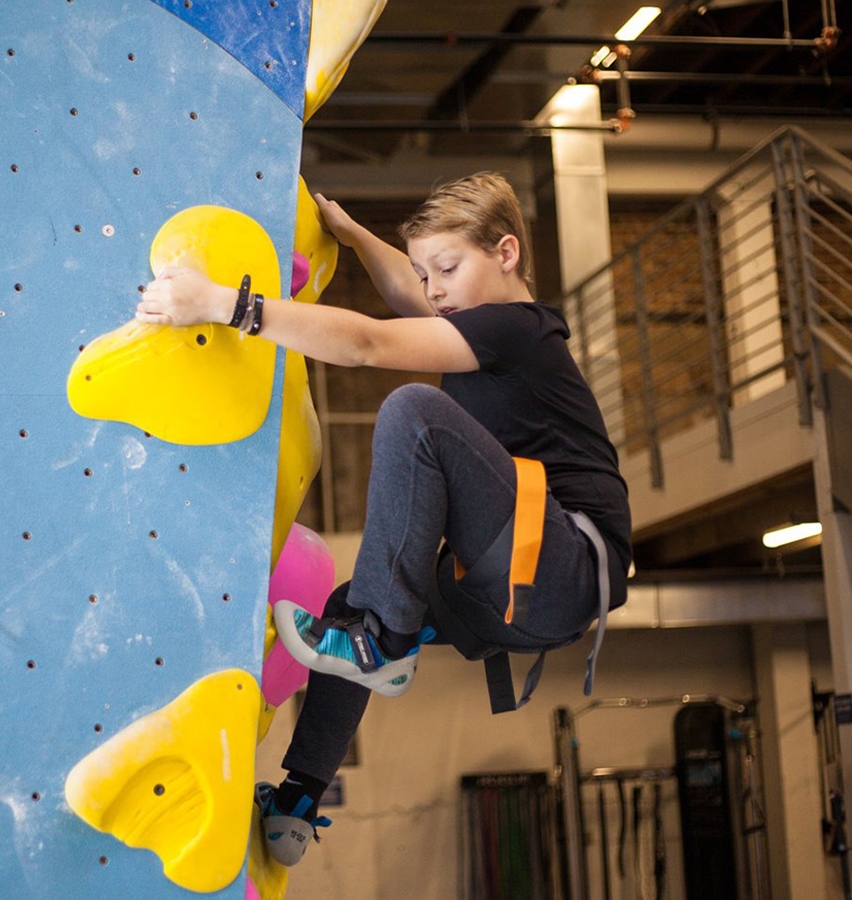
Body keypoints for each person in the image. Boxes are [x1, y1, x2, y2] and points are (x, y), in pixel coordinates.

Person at [135, 172, 632, 867]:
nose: (434, 291)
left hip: (561, 563)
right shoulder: (478, 324)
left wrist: (226, 305)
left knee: (414, 412)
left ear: (507, 253)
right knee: (354, 603)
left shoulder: (519, 330)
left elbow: (368, 343)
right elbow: (405, 289)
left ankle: (381, 644)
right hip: (515, 593)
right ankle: (296, 805)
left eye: (448, 270)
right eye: (428, 274)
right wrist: (353, 234)